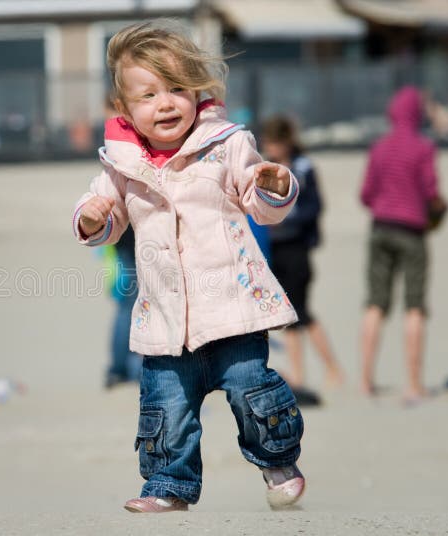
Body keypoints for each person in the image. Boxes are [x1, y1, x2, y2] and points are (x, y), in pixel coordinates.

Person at [72, 20, 305, 513]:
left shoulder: (225, 143)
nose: (166, 103)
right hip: (165, 317)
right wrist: (94, 217)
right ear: (125, 110)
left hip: (232, 306)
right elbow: (104, 212)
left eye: (177, 88)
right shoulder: (121, 164)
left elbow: (259, 202)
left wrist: (273, 184)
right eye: (150, 94)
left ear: (197, 92)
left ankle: (277, 458)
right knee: (167, 409)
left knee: (250, 390)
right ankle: (167, 485)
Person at [359, 86, 442, 402]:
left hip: (381, 227)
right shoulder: (424, 148)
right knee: (415, 306)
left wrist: (386, 204)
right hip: (412, 231)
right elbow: (431, 192)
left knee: (374, 304)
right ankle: (413, 382)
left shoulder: (379, 148)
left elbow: (366, 194)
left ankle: (366, 381)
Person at [261, 116, 343, 389]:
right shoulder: (262, 168)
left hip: (296, 247)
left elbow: (315, 206)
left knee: (301, 313)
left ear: (286, 143)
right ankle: (303, 374)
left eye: (275, 144)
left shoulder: (303, 168)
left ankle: (326, 369)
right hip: (273, 248)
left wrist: (287, 218)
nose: (271, 149)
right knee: (289, 314)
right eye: (268, 143)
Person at [104, 228, 143, 388]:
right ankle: (129, 368)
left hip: (120, 237)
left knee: (126, 306)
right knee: (131, 307)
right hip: (137, 237)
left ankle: (118, 368)